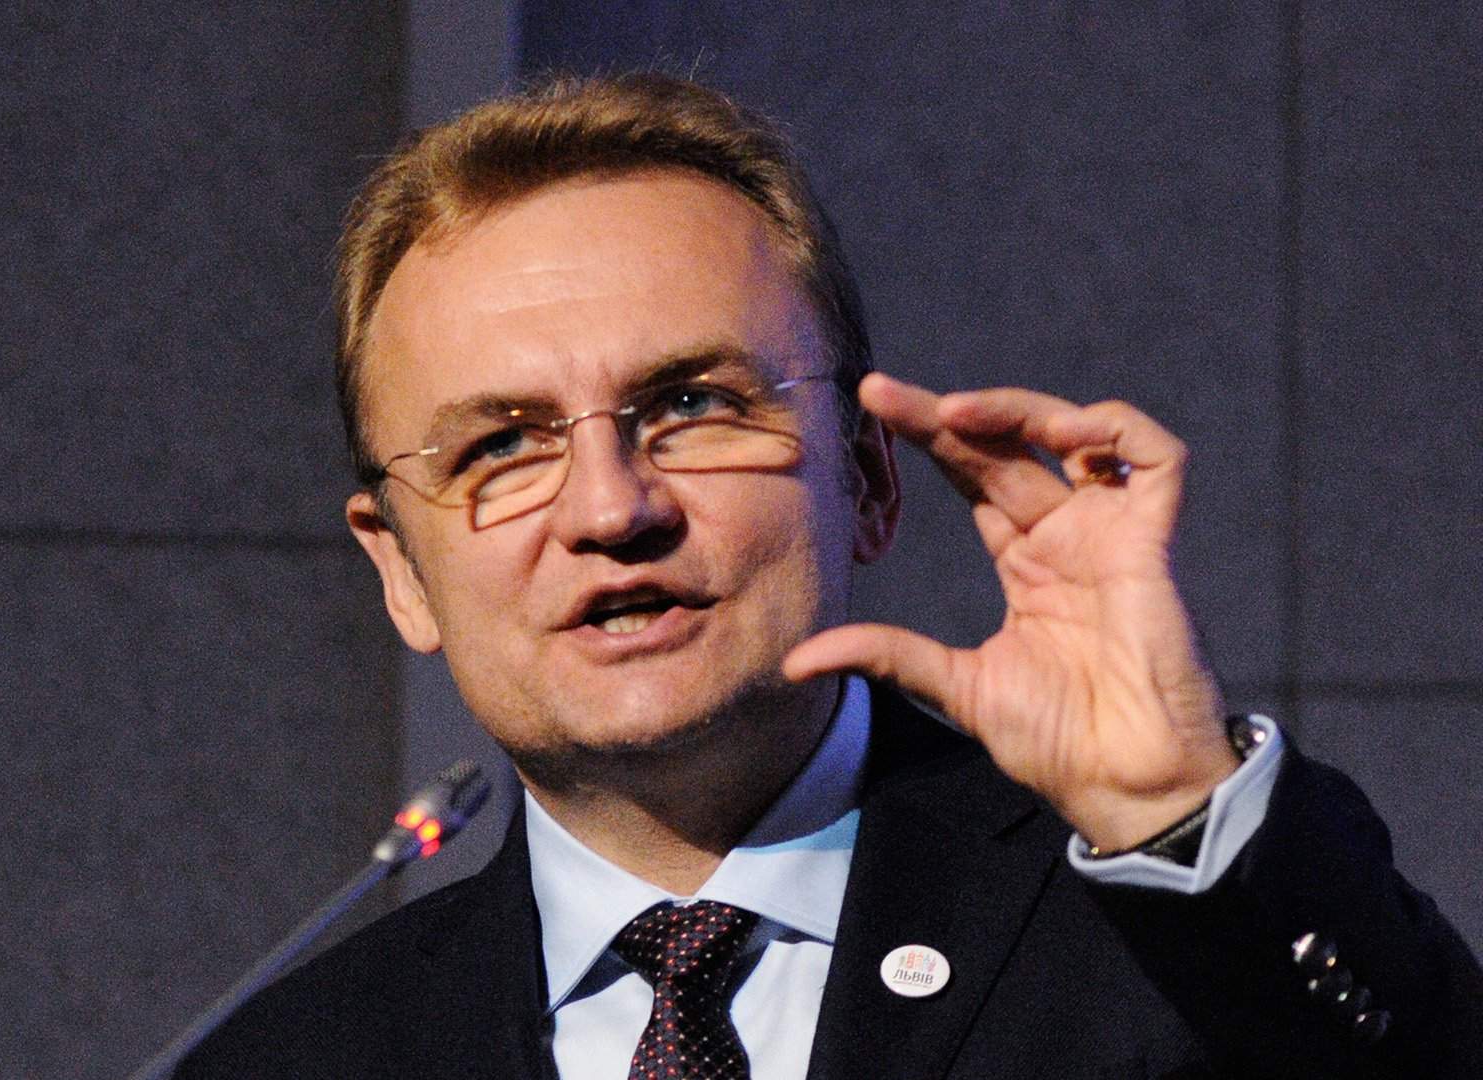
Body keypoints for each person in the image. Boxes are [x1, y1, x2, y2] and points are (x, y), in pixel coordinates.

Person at [178, 73, 1480, 1078]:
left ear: (864, 477)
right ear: (402, 569)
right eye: (501, 446)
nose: (612, 507)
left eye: (691, 405)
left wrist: (1172, 808)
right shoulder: (294, 1059)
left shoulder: (1171, 931)